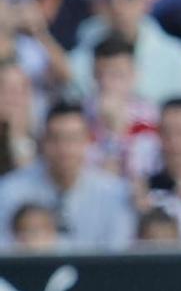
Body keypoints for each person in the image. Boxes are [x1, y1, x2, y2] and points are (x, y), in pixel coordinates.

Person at [0, 103, 135, 249]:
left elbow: (120, 253)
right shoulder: (10, 191)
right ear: (43, 141)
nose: (64, 148)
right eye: (55, 139)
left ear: (87, 141)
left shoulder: (114, 193)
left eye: (72, 139)